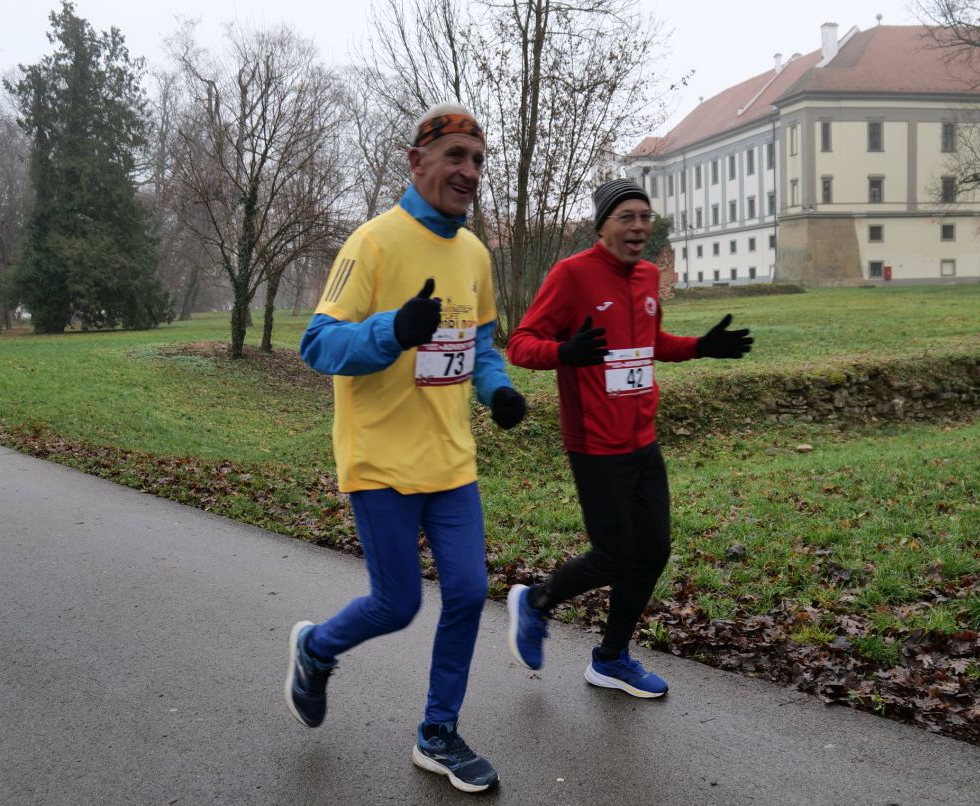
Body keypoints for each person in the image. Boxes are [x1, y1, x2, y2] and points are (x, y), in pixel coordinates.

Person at [285, 102, 528, 794]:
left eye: (478, 160)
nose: (469, 171)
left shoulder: (477, 254)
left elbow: (480, 346)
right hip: (381, 461)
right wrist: (394, 328)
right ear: (417, 163)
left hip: (450, 460)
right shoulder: (373, 244)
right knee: (396, 604)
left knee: (468, 591)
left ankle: (437, 732)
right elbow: (317, 345)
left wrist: (498, 390)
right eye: (455, 156)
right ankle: (315, 648)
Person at [504, 178, 753, 698]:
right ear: (604, 225)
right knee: (615, 555)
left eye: (645, 215)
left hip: (643, 438)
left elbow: (650, 342)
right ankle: (535, 601)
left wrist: (701, 347)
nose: (639, 225)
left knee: (655, 550)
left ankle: (611, 657)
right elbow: (521, 344)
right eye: (627, 217)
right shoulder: (571, 275)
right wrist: (564, 353)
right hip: (594, 443)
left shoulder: (647, 276)